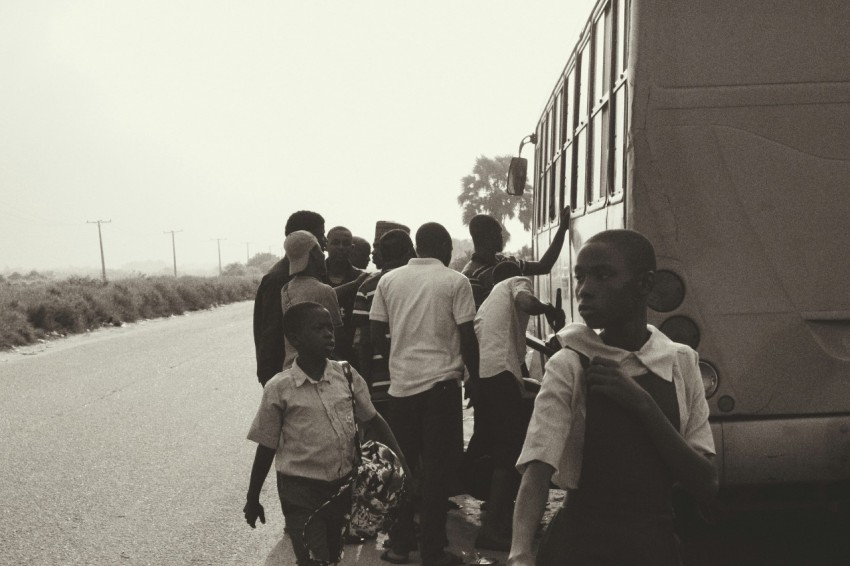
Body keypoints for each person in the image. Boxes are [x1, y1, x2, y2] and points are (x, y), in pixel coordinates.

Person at [508, 230, 718, 566]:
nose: (584, 289)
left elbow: (705, 483)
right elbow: (537, 471)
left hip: (654, 550)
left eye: (603, 275)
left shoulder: (680, 363)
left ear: (645, 285)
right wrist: (520, 554)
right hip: (578, 550)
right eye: (581, 277)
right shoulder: (571, 362)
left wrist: (643, 405)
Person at [243, 301, 408, 566]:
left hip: (341, 487)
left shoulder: (346, 375)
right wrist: (253, 498)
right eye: (318, 328)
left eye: (329, 328)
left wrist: (402, 464)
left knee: (331, 555)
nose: (328, 334)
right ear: (295, 338)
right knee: (312, 558)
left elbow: (374, 420)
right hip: (299, 490)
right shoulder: (280, 388)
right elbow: (266, 446)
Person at [370, 222, 479, 566]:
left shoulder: (389, 281)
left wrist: (396, 364)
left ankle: (401, 545)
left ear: (417, 248)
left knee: (404, 471)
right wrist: (474, 377)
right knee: (437, 473)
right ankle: (433, 552)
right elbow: (467, 337)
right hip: (441, 391)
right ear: (446, 246)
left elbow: (375, 333)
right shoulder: (455, 280)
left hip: (401, 391)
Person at [471, 261, 565, 551]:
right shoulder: (515, 282)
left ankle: (495, 512)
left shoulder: (488, 306)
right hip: (501, 376)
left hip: (483, 379)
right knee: (510, 454)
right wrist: (549, 308)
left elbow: (516, 339)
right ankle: (493, 530)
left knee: (494, 445)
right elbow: (527, 301)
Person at [253, 210, 327, 386]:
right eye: (320, 235)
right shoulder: (278, 278)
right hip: (288, 377)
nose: (324, 241)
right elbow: (271, 334)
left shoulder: (308, 273)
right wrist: (270, 381)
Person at [462, 206, 570, 308]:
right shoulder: (470, 276)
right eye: (498, 233)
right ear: (488, 236)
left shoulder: (505, 261)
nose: (502, 237)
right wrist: (547, 309)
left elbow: (544, 266)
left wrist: (562, 229)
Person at [352, 227, 414, 394]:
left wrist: (364, 383)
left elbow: (364, 342)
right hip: (419, 379)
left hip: (381, 380)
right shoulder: (420, 284)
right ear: (409, 253)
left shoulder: (367, 287)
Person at [281, 231, 344, 370]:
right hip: (317, 370)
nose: (323, 254)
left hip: (291, 369)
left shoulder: (286, 289)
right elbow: (337, 337)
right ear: (315, 253)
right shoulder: (324, 290)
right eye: (321, 249)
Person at [325, 226, 369, 365]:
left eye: (346, 243)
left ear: (352, 247)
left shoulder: (362, 279)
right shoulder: (315, 276)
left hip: (351, 358)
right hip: (319, 357)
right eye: (335, 242)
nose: (341, 247)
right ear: (326, 246)